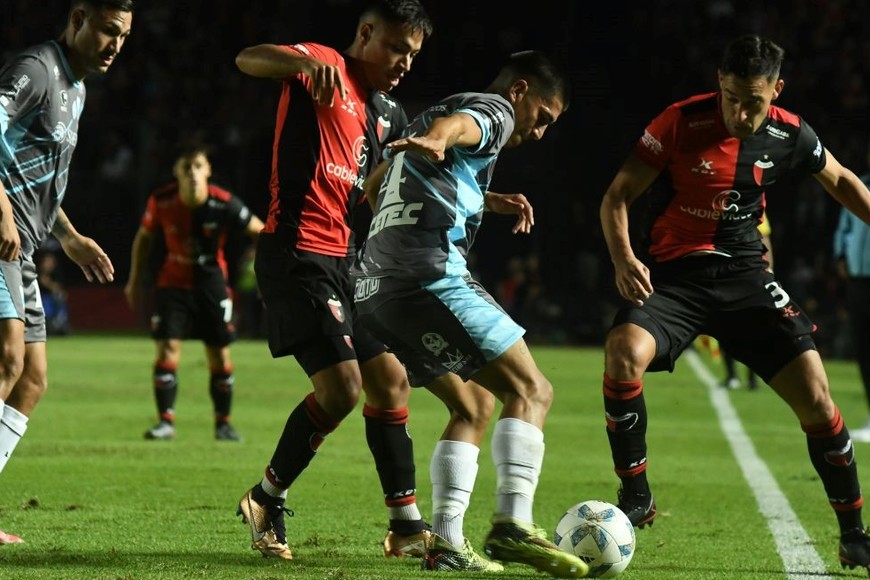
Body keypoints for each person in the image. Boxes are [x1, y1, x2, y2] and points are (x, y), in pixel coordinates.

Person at [598, 33, 870, 570]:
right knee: (623, 351)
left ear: (776, 91)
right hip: (676, 277)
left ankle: (855, 533)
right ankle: (637, 496)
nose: (741, 112)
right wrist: (625, 259)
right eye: (731, 96)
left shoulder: (790, 133)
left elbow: (839, 179)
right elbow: (617, 196)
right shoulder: (679, 122)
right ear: (718, 85)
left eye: (754, 100)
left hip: (746, 276)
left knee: (817, 395)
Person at [352, 50, 588, 578]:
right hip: (430, 277)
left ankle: (447, 543)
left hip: (374, 288)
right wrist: (442, 137)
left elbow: (374, 188)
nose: (540, 132)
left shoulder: (423, 122)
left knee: (475, 404)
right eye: (543, 118)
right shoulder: (495, 109)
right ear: (522, 91)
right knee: (532, 391)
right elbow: (465, 126)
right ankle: (512, 525)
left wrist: (478, 197)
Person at [232, 0, 436, 562]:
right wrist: (295, 66)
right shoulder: (321, 63)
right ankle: (266, 499)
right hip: (297, 254)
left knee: (391, 383)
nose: (404, 63)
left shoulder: (387, 113)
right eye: (396, 48)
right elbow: (248, 58)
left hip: (348, 261)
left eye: (413, 55)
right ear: (366, 33)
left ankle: (405, 525)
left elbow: (372, 191)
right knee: (343, 389)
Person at [0, 0, 134, 545]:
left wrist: (71, 237)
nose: (115, 45)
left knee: (32, 379)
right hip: (0, 237)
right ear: (78, 18)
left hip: (25, 247)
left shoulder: (75, 89)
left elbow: (34, 176)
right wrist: (2, 208)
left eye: (122, 36)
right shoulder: (35, 69)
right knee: (7, 356)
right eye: (107, 31)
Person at [124, 142, 264, 442]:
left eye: (198, 166)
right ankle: (165, 423)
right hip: (172, 284)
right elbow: (143, 239)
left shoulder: (223, 202)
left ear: (208, 171)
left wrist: (266, 268)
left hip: (212, 284)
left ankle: (223, 424)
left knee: (219, 354)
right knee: (167, 349)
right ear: (176, 172)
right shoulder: (161, 200)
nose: (192, 173)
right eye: (186, 168)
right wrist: (134, 279)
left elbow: (260, 232)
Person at [833, 145, 870, 443]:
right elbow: (845, 227)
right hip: (858, 278)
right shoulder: (861, 184)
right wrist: (841, 255)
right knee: (864, 348)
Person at [720, 211, 774, 390]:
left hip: (750, 274)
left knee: (753, 329)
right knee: (725, 327)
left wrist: (769, 271)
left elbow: (764, 239)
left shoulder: (754, 203)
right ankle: (732, 375)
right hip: (725, 273)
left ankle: (752, 378)